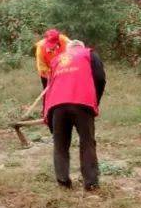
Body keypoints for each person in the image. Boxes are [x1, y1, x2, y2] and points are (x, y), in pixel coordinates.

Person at [43, 41, 107, 190]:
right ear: (81, 47)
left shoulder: (56, 59)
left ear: (68, 49)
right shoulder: (89, 54)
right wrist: (94, 100)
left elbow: (48, 86)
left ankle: (63, 182)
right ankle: (91, 183)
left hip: (56, 104)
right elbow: (100, 78)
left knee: (60, 144)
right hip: (82, 103)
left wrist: (48, 115)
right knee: (87, 142)